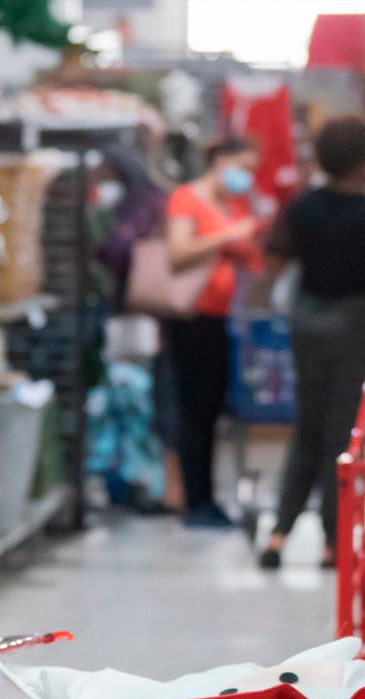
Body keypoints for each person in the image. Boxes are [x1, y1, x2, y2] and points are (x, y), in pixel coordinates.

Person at [258, 116, 365, 569]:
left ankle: (279, 532)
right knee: (344, 434)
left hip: (307, 321)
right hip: (357, 324)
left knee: (306, 425)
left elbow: (272, 260)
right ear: (364, 163)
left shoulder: (300, 206)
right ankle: (333, 539)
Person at [164, 137, 262, 529]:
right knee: (195, 410)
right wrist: (230, 235)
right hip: (191, 318)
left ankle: (206, 496)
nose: (246, 177)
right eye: (242, 166)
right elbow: (178, 251)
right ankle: (196, 501)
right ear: (219, 160)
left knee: (210, 409)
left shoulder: (228, 205)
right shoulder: (187, 199)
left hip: (218, 318)